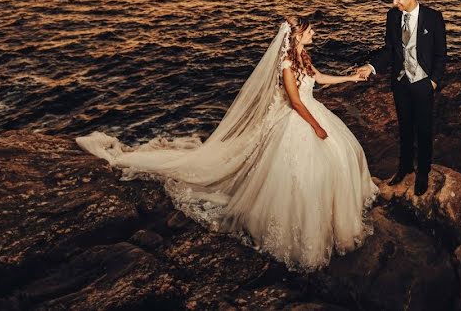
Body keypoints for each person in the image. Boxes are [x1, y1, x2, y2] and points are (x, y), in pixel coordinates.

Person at [76, 16, 378, 271]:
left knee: (337, 159)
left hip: (312, 113)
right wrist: (316, 127)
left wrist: (349, 79)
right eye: (310, 30)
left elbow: (320, 79)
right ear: (298, 34)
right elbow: (297, 103)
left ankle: (328, 218)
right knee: (298, 175)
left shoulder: (302, 57)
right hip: (301, 120)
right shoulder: (286, 65)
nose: (314, 33)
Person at [356, 0, 447, 196]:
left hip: (423, 83)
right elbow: (390, 49)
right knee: (405, 128)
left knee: (423, 129)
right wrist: (371, 66)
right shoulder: (392, 16)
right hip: (400, 82)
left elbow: (441, 54)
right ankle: (405, 167)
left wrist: (433, 82)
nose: (394, 2)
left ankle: (423, 172)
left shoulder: (434, 18)